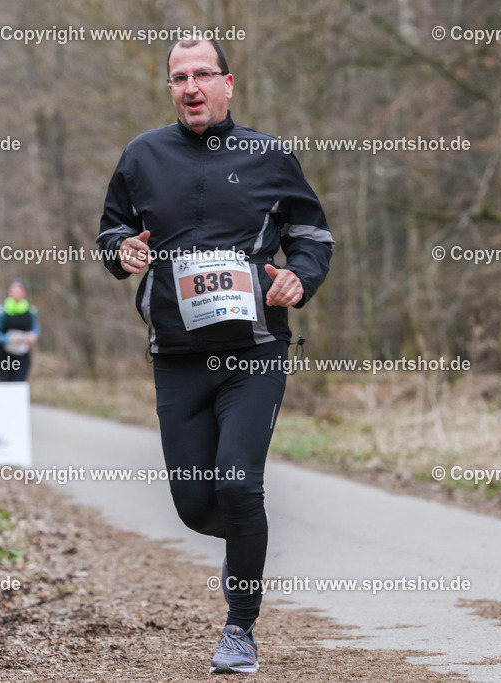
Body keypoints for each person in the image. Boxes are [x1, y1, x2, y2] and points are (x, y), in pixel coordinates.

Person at [97, 38, 333, 674]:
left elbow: (312, 234)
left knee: (237, 479)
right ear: (170, 90)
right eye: (179, 77)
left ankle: (240, 628)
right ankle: (245, 531)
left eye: (203, 74)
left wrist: (299, 279)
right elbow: (110, 229)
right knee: (196, 503)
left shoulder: (268, 155)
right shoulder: (142, 155)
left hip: (254, 348)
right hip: (176, 354)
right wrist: (122, 250)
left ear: (229, 85)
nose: (191, 86)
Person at [0, 279, 39, 382]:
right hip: (5, 354)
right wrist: (8, 338)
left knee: (19, 383)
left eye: (18, 291)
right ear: (9, 292)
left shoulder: (31, 310)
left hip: (23, 354)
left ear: (24, 292)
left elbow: (36, 330)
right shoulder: (1, 310)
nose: (15, 293)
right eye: (13, 290)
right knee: (5, 383)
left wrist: (32, 336)